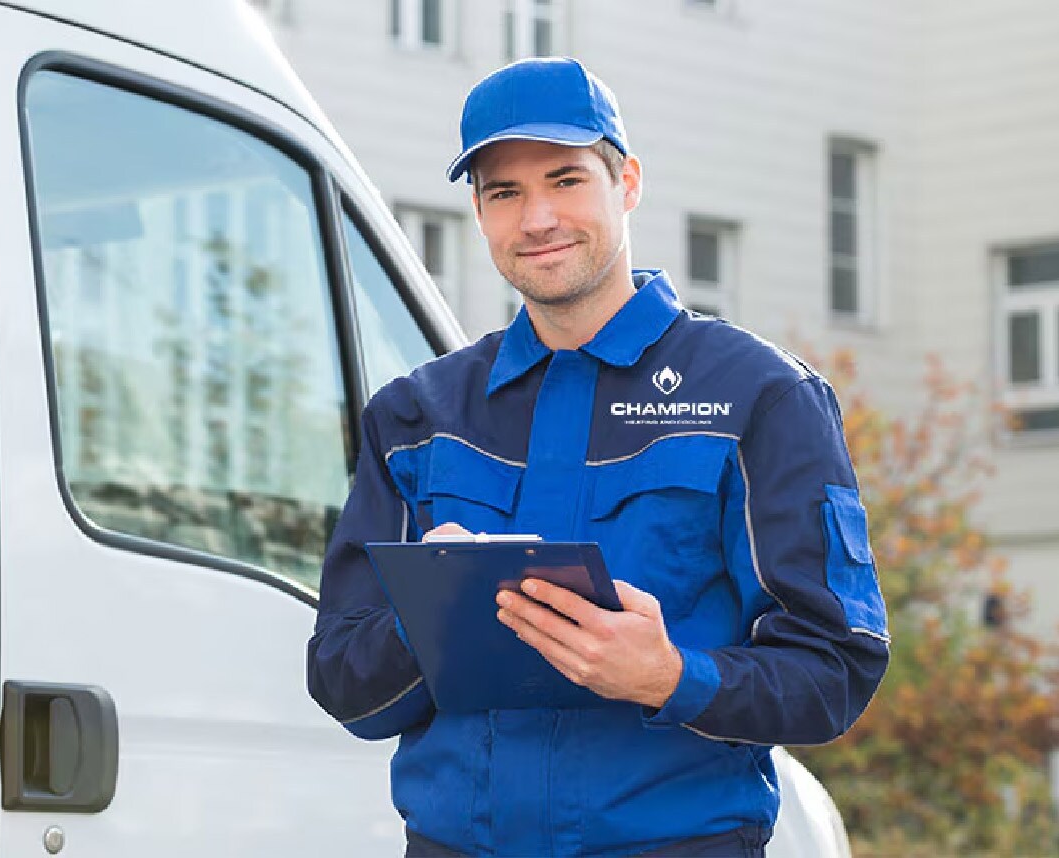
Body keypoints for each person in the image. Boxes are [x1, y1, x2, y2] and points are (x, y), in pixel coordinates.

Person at [308, 56, 889, 858]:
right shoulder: (418, 415)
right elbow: (344, 685)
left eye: (566, 179)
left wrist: (670, 676)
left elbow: (835, 672)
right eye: (504, 193)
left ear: (628, 183)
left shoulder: (758, 397)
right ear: (478, 211)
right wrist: (429, 619)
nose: (538, 218)